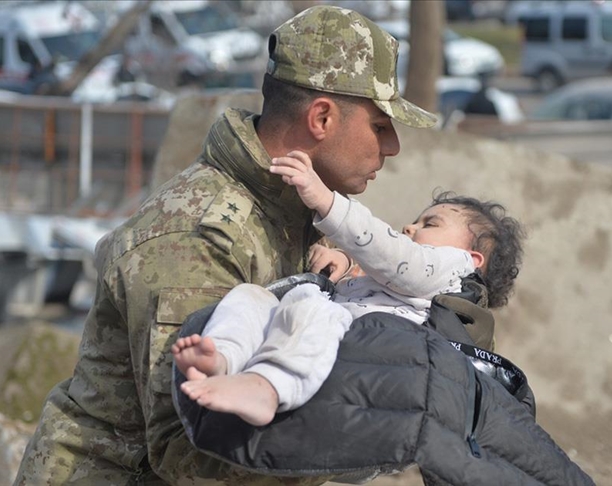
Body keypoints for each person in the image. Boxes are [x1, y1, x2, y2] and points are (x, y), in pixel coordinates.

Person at [14, 6, 438, 484]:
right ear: (321, 118)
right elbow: (189, 452)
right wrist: (381, 434)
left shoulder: (299, 211)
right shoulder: (196, 235)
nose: (393, 147)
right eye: (380, 126)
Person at [172, 150, 524, 426]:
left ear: (473, 258)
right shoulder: (412, 277)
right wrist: (345, 265)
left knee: (316, 309)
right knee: (253, 297)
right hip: (323, 338)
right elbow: (385, 278)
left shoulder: (452, 270)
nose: (409, 226)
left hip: (365, 365)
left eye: (430, 223)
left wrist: (327, 201)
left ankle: (267, 389)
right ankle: (223, 357)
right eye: (416, 219)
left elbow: (397, 260)